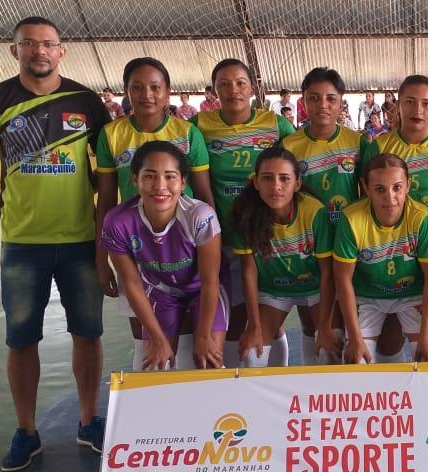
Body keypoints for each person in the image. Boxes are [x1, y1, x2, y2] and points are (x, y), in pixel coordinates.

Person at [0, 16, 111, 472]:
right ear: (15, 51)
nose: (39, 51)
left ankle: (89, 422)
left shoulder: (87, 102)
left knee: (88, 332)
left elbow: (105, 172)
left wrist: (102, 229)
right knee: (21, 340)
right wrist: (2, 210)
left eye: (48, 44)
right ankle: (26, 432)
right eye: (29, 44)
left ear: (61, 51)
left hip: (81, 242)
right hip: (23, 246)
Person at [94, 57, 214, 371]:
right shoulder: (111, 135)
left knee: (187, 344)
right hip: (135, 248)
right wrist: (100, 259)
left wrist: (211, 246)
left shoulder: (188, 133)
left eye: (155, 87)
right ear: (126, 91)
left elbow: (204, 194)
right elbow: (105, 200)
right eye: (137, 87)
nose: (147, 94)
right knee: (147, 344)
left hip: (182, 249)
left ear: (168, 91)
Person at [191, 58, 296, 368]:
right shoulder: (199, 126)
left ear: (253, 87)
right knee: (240, 312)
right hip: (225, 234)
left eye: (240, 83)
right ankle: (245, 380)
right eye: (224, 84)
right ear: (214, 91)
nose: (233, 89)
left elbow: (291, 171)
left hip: (268, 235)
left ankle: (277, 377)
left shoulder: (276, 125)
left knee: (269, 312)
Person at [101, 141, 226, 370]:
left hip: (201, 290)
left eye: (170, 176)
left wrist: (203, 335)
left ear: (182, 182)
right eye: (149, 176)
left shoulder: (200, 216)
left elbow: (210, 281)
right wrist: (158, 339)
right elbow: (132, 284)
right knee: (155, 366)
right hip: (159, 293)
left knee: (209, 360)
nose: (160, 186)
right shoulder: (117, 222)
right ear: (135, 179)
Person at [281, 66, 369, 363]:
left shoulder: (357, 142)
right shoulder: (290, 146)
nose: (323, 105)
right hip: (307, 242)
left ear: (341, 102)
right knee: (313, 318)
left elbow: (369, 192)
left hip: (348, 241)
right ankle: (314, 382)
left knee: (345, 314)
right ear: (303, 102)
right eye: (314, 98)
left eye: (330, 98)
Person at [333, 153, 428, 364]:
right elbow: (343, 280)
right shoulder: (351, 218)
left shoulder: (422, 217)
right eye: (380, 189)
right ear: (366, 188)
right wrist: (355, 339)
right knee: (356, 361)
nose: (390, 197)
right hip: (366, 297)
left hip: (412, 295)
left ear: (408, 185)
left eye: (397, 187)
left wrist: (427, 335)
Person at [230, 147, 335, 367]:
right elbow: (249, 272)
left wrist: (324, 328)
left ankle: (313, 398)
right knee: (252, 354)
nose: (276, 186)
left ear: (297, 184)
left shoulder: (315, 212)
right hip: (274, 293)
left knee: (330, 349)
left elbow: (328, 272)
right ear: (255, 182)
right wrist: (254, 326)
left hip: (316, 289)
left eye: (284, 179)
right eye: (267, 178)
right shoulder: (244, 215)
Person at [362, 74, 428, 223]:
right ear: (398, 106)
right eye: (410, 102)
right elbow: (367, 206)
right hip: (394, 240)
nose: (418, 110)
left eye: (426, 104)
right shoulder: (378, 149)